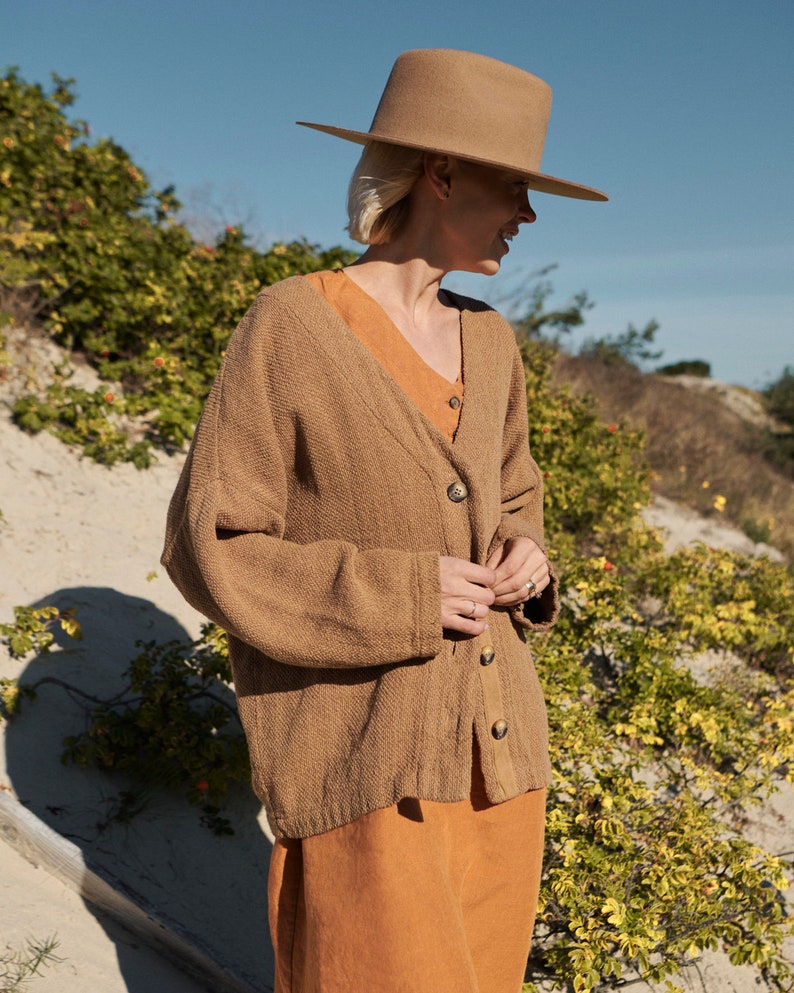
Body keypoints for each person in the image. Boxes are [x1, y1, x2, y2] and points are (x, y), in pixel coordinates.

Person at [162, 48, 606, 993]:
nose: (529, 213)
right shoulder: (289, 324)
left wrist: (530, 558)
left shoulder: (491, 340)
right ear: (440, 173)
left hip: (500, 765)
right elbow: (213, 543)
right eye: (515, 185)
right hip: (367, 764)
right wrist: (401, 592)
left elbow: (517, 498)